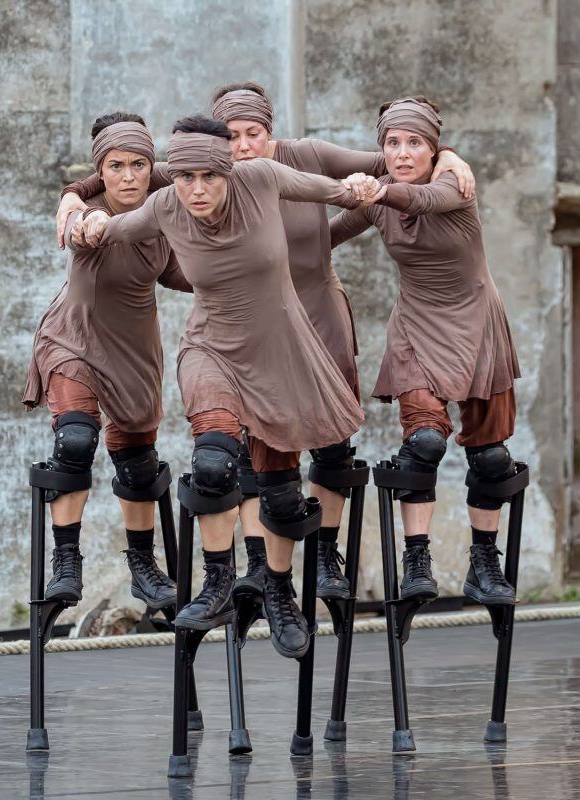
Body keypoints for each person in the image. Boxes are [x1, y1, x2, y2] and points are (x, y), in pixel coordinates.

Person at [56, 83, 475, 604]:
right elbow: (132, 174)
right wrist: (77, 199)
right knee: (239, 457)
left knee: (326, 447)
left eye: (252, 133)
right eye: (232, 136)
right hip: (234, 331)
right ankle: (246, 572)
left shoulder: (287, 164)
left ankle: (320, 559)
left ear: (268, 132)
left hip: (311, 315)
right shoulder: (190, 183)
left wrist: (447, 156)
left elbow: (386, 168)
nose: (243, 145)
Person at [75, 115, 373, 657]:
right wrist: (78, 211)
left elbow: (339, 192)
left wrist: (365, 186)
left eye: (208, 176)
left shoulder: (261, 178)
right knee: (213, 464)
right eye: (184, 177)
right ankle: (217, 585)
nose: (196, 189)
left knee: (281, 494)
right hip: (209, 348)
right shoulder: (165, 206)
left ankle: (278, 591)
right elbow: (109, 223)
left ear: (228, 171)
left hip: (277, 354)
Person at [329, 96, 521, 606]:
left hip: (479, 323)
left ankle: (484, 562)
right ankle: (416, 562)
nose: (402, 152)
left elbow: (422, 201)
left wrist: (379, 186)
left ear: (434, 150)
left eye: (415, 143)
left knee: (490, 456)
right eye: (392, 143)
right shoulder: (379, 197)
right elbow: (326, 235)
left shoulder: (453, 182)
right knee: (425, 444)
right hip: (417, 326)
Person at [23, 113, 192, 611]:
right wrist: (77, 207)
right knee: (75, 440)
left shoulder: (165, 204)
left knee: (138, 464)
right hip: (73, 339)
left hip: (134, 348)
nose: (128, 176)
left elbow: (176, 270)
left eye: (139, 165)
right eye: (115, 166)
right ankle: (66, 562)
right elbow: (80, 228)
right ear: (101, 171)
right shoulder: (85, 213)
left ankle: (143, 566)